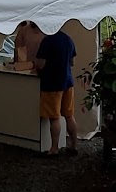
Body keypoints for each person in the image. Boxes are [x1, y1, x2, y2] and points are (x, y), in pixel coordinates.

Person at [32, 23, 80, 156]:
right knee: (69, 115)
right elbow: (71, 62)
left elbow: (40, 64)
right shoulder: (68, 39)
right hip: (68, 82)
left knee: (54, 117)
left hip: (52, 83)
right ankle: (74, 145)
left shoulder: (47, 41)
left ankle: (54, 148)